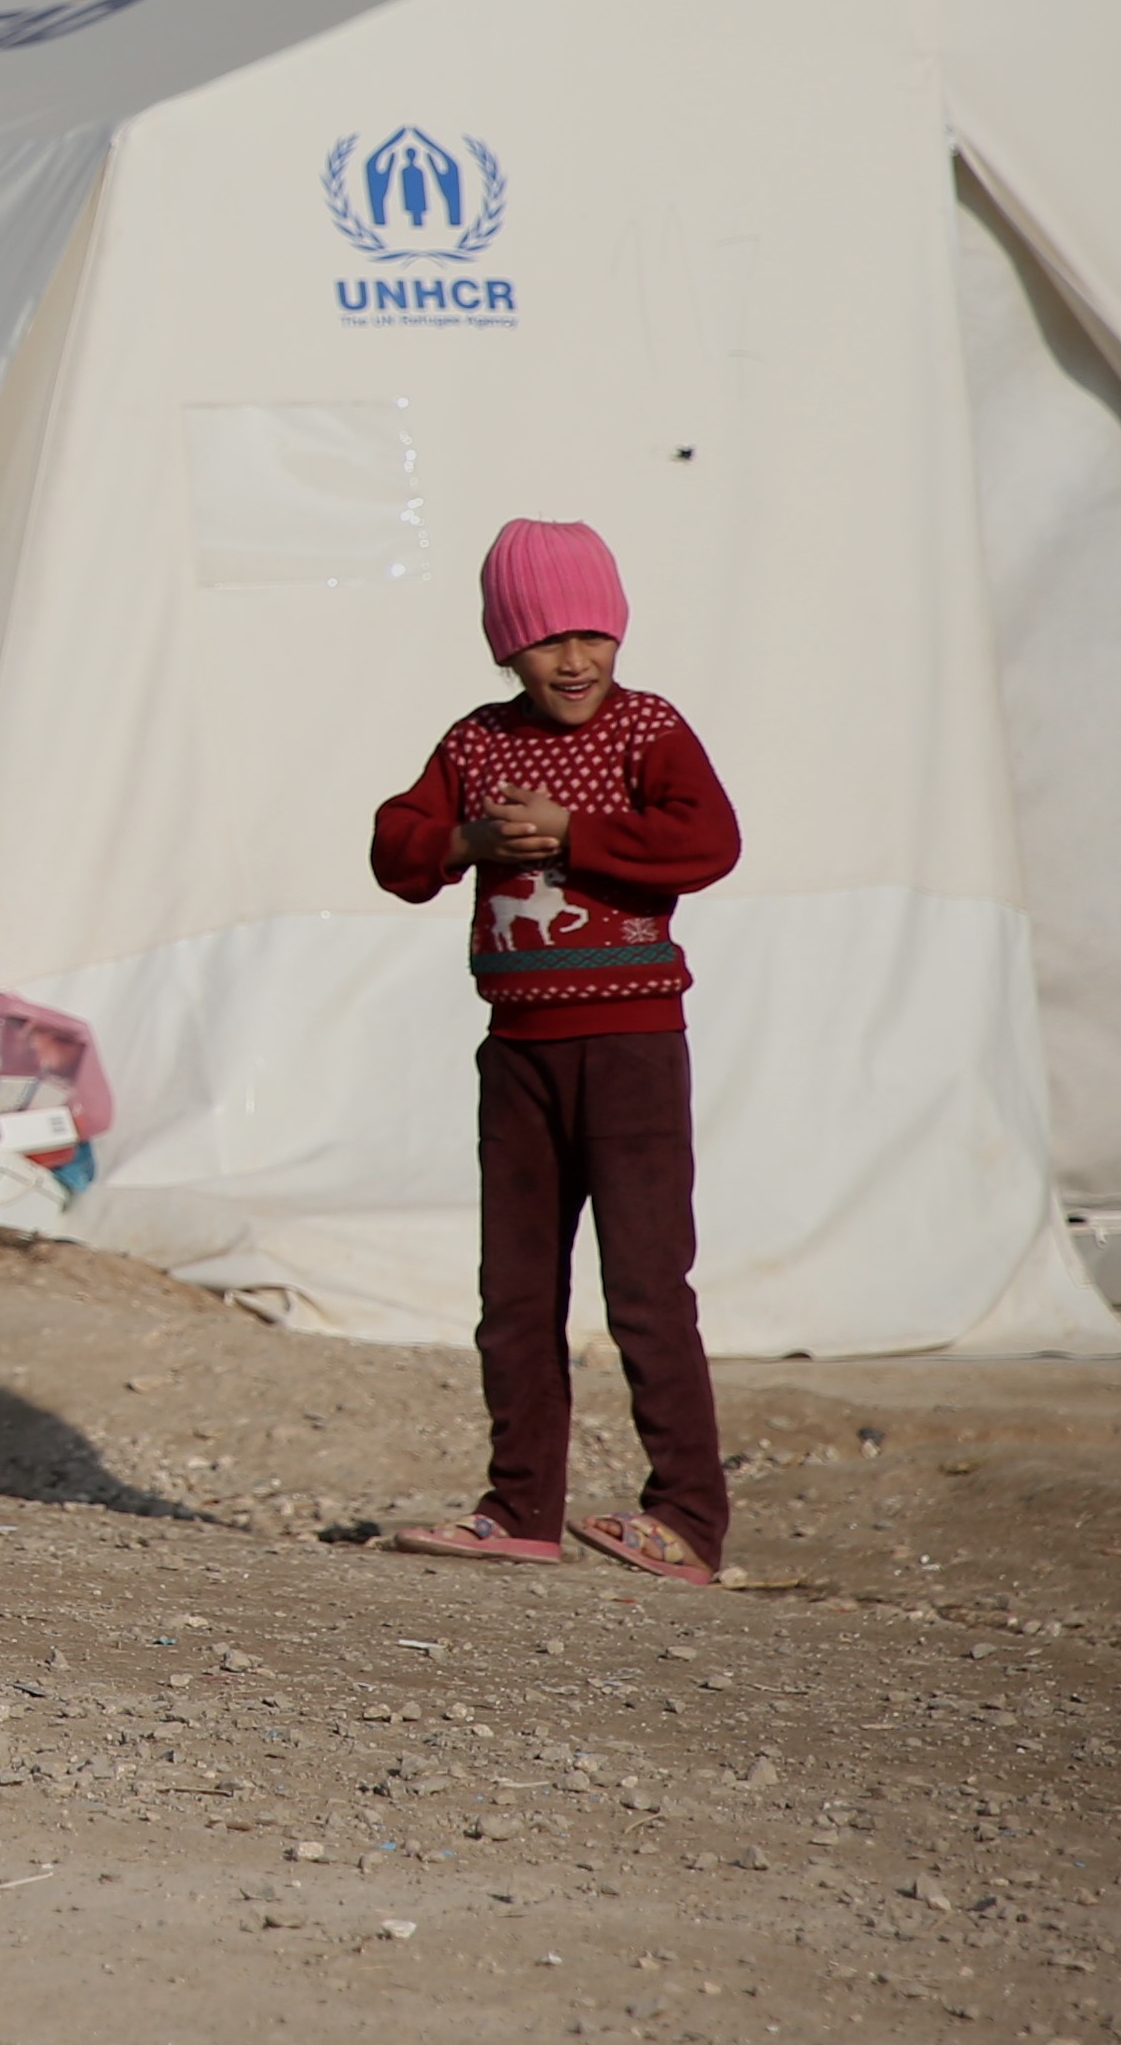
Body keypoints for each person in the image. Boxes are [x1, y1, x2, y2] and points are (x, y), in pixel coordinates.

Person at [366, 518, 742, 1587]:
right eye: (544, 640)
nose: (573, 660)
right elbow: (394, 846)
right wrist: (465, 845)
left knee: (646, 1287)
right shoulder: (477, 744)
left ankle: (688, 1518)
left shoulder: (648, 730)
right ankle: (521, 1506)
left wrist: (576, 836)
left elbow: (708, 840)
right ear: (504, 647)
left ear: (619, 635)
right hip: (518, 1054)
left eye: (593, 635)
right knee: (517, 1290)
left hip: (630, 1049)